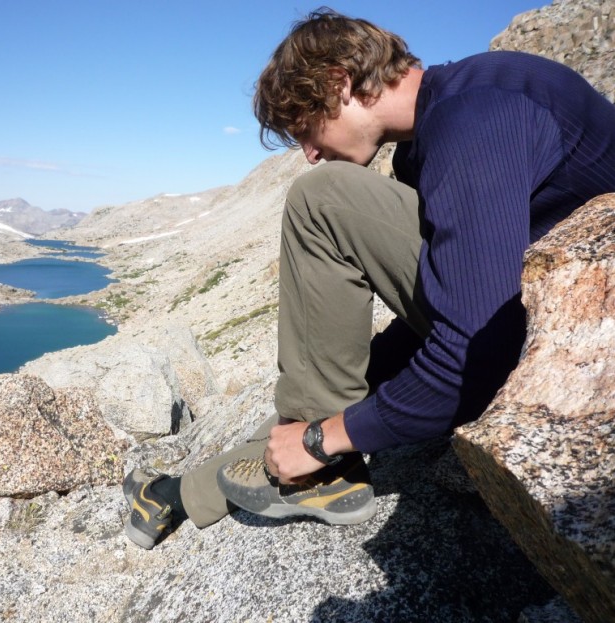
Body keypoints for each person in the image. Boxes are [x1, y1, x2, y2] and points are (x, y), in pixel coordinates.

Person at [123, 8, 615, 549]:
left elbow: (479, 348)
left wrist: (322, 438)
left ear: (340, 83)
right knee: (337, 388)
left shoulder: (477, 116)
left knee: (322, 198)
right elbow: (448, 303)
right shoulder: (427, 143)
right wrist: (331, 417)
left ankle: (318, 472)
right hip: (547, 318)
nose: (309, 154)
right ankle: (175, 494)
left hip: (578, 348)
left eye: (304, 129)